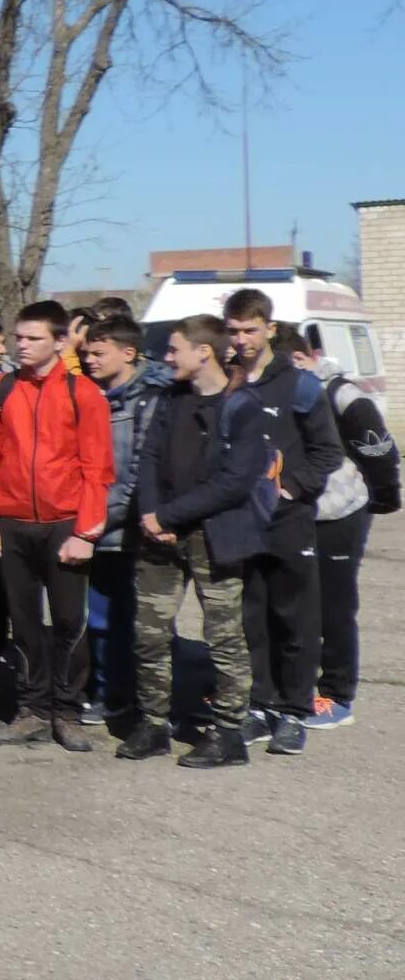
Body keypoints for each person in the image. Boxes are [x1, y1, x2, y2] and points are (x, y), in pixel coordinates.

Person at [122, 314, 271, 767]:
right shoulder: (168, 398)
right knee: (149, 634)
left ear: (202, 351)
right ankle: (153, 725)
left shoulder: (243, 405)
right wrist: (150, 515)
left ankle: (228, 734)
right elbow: (146, 457)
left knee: (223, 637)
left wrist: (167, 514)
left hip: (215, 537)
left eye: (174, 349)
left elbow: (233, 483)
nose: (167, 358)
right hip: (159, 537)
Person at [0, 302, 114, 749]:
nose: (22, 345)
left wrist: (86, 532)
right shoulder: (1, 390)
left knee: (69, 621)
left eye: (33, 338)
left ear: (60, 341)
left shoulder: (82, 393)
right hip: (11, 524)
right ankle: (30, 709)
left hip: (65, 523)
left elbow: (97, 469)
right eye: (19, 337)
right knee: (23, 620)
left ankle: (66, 710)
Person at [223, 290, 344, 754]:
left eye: (250, 330)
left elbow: (328, 451)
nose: (241, 339)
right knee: (250, 618)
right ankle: (260, 707)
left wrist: (291, 487)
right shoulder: (229, 381)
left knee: (294, 618)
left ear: (270, 329)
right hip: (240, 523)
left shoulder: (299, 384)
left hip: (288, 521)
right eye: (233, 331)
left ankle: (294, 712)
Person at [294, 330, 399, 729]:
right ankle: (294, 686)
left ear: (313, 355)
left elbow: (379, 449)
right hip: (298, 514)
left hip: (342, 514)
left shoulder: (341, 393)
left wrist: (385, 496)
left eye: (299, 362)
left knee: (335, 607)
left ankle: (338, 695)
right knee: (296, 604)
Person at [79, 315, 162, 725]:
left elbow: (136, 475)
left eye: (98, 353)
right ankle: (104, 690)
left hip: (125, 531)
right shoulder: (88, 395)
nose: (88, 360)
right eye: (86, 352)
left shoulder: (150, 400)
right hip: (91, 530)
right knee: (96, 620)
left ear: (128, 354)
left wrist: (98, 520)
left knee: (132, 620)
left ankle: (131, 697)